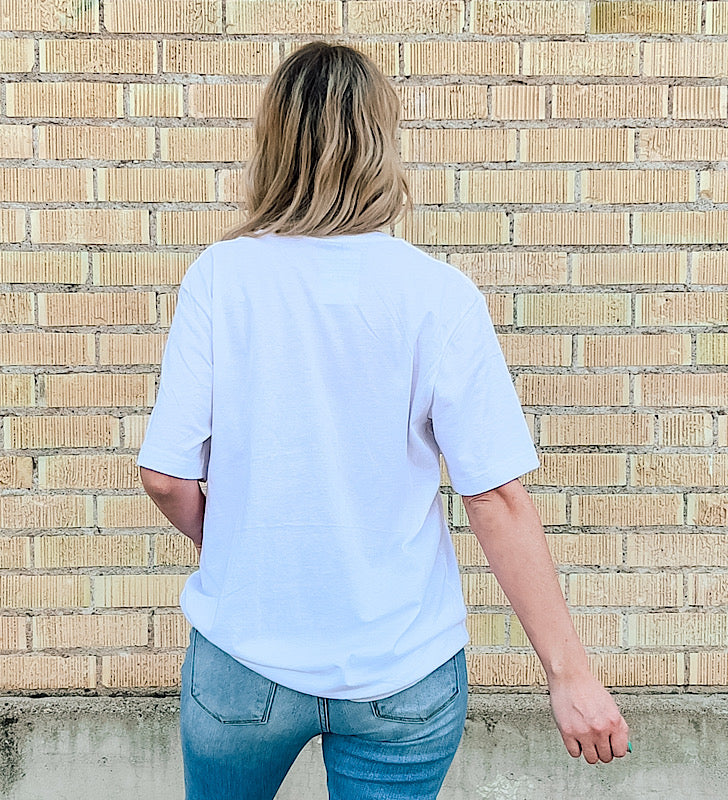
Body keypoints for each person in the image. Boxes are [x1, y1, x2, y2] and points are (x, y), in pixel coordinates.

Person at [137, 40, 630, 800]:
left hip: (244, 660)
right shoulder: (438, 294)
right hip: (403, 670)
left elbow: (166, 477)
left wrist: (240, 543)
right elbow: (495, 497)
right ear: (380, 146)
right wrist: (570, 675)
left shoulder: (220, 278)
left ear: (273, 144)